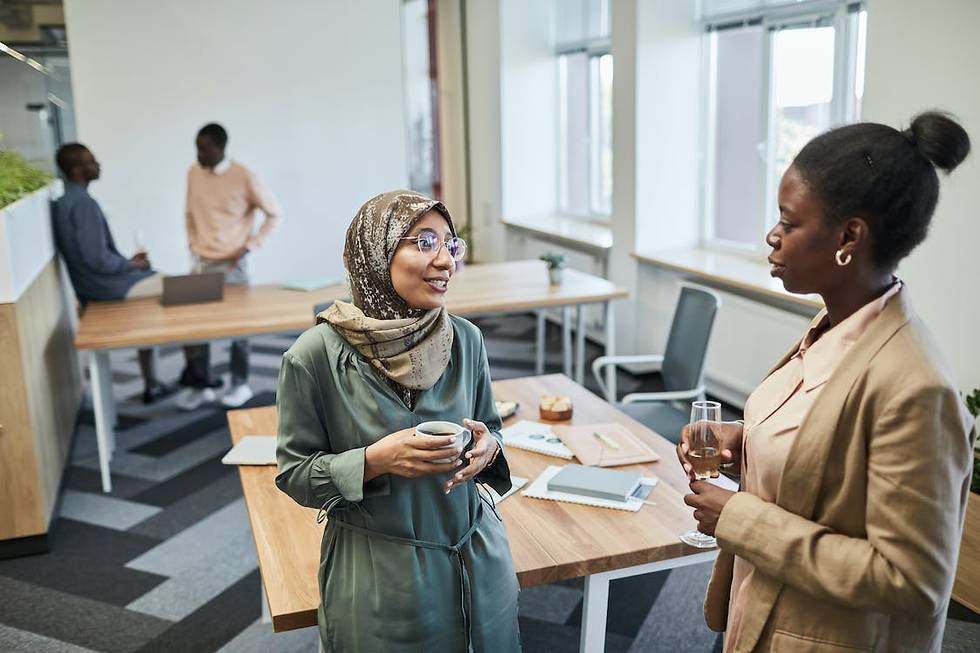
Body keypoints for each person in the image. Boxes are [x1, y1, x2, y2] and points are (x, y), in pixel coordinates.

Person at [678, 111, 975, 652]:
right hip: (764, 611)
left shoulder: (917, 389)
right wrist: (749, 438)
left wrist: (741, 518)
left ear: (849, 236)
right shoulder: (829, 328)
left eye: (789, 223)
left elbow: (912, 581)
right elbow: (830, 445)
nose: (772, 236)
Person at [275, 190, 521, 652]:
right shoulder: (314, 357)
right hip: (378, 575)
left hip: (475, 554)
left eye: (450, 245)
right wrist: (374, 460)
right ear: (376, 251)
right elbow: (295, 475)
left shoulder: (464, 339)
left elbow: (492, 427)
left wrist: (491, 447)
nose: (446, 261)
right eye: (424, 242)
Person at [52, 142, 174, 404]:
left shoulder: (65, 201)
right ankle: (193, 370)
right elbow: (97, 259)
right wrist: (133, 265)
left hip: (92, 282)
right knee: (171, 285)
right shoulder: (82, 203)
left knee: (151, 304)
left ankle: (152, 382)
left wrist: (130, 264)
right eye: (90, 161)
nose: (98, 164)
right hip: (103, 286)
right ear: (76, 169)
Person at [176, 123, 281, 411]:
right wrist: (193, 246)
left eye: (204, 148)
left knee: (238, 328)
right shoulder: (193, 172)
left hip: (234, 264)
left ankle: (240, 384)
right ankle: (201, 386)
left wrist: (251, 244)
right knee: (197, 327)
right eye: (196, 147)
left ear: (221, 148)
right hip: (202, 261)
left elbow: (273, 213)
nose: (199, 154)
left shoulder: (244, 176)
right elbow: (189, 213)